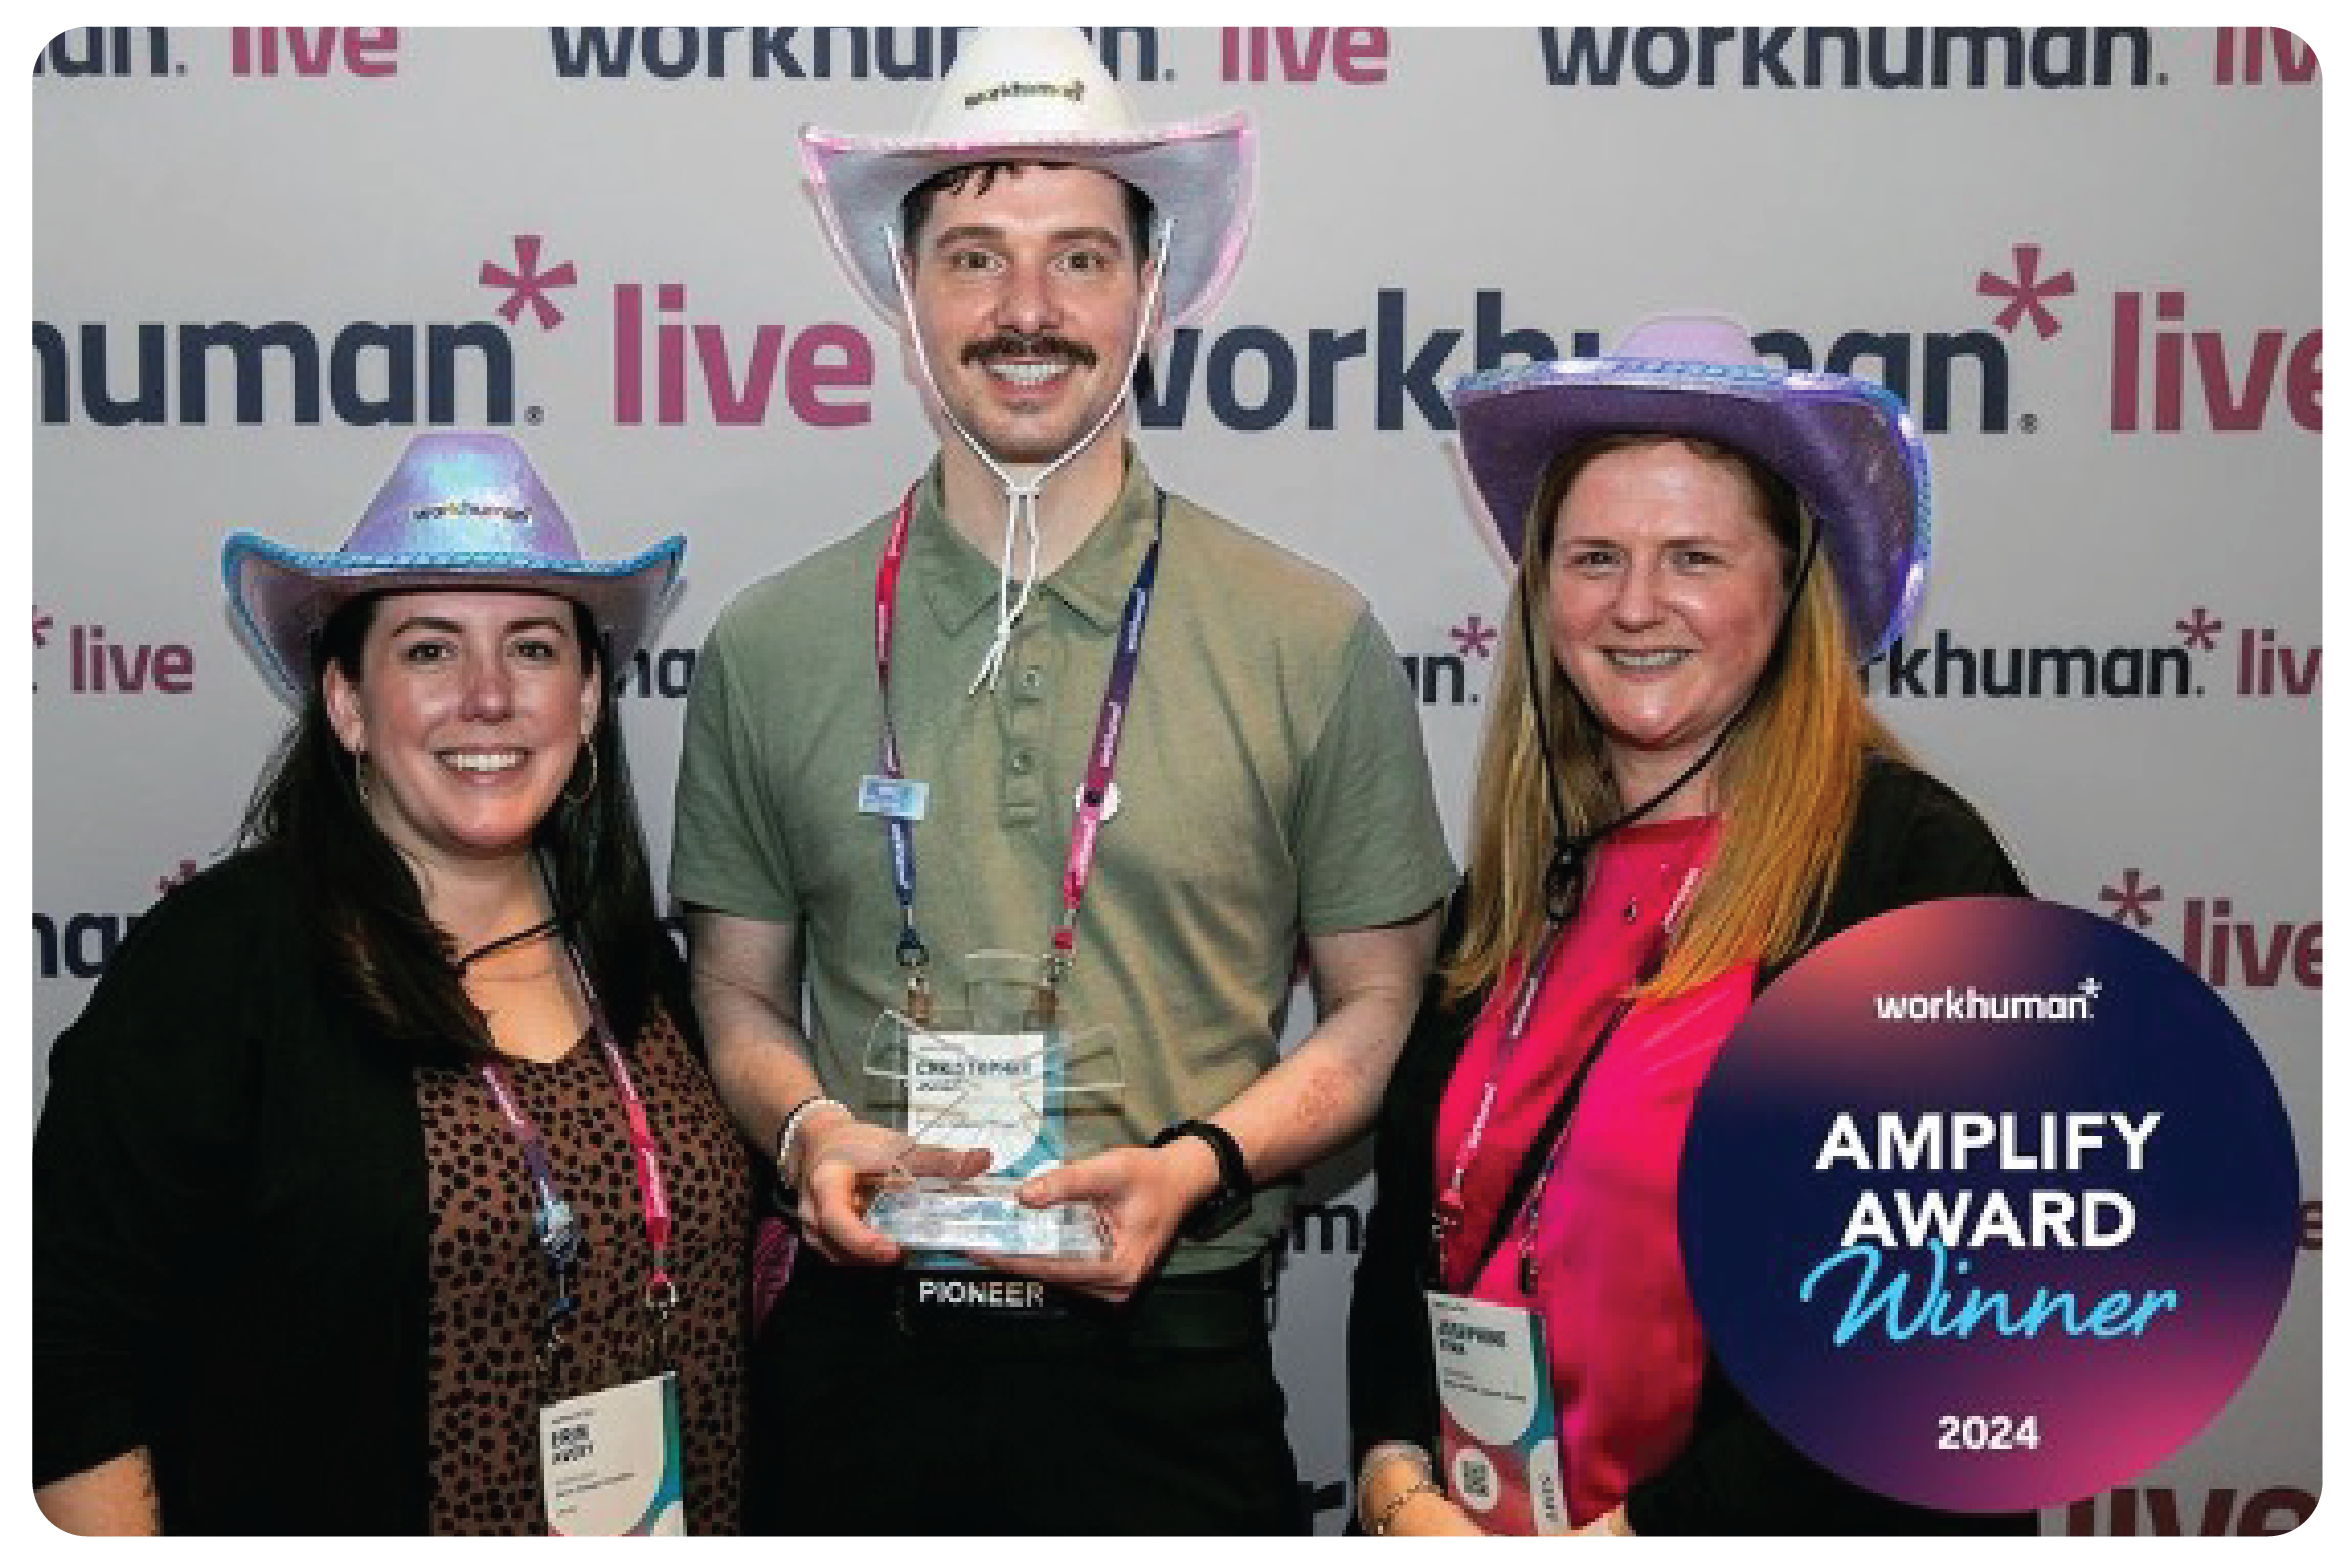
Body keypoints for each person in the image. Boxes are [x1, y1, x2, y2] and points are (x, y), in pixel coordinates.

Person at [671, 25, 1455, 1536]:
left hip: (1169, 1364)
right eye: (972, 257)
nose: (1026, 310)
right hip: (863, 1358)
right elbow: (738, 998)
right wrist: (807, 1131)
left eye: (1081, 259)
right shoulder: (772, 642)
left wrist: (1201, 1160)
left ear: (1152, 294)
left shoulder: (1308, 634)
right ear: (904, 302)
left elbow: (1376, 1005)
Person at [1347, 315, 2035, 1536]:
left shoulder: (1909, 870)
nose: (1636, 603)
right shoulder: (1518, 880)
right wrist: (1398, 1484)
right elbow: (1417, 1231)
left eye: (1697, 558)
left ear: (1787, 586)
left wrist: (1642, 1532)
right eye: (1595, 555)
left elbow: (1951, 1325)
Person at [32, 432, 750, 1535]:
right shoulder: (224, 963)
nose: (487, 695)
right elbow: (68, 1356)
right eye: (427, 651)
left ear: (591, 697)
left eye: (533, 647)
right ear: (347, 703)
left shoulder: (635, 966)